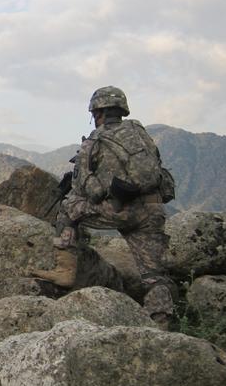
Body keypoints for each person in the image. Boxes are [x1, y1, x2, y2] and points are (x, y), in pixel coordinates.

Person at [32, 86, 177, 327]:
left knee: (70, 207)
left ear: (98, 113)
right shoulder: (140, 134)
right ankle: (161, 324)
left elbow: (90, 191)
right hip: (152, 210)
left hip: (119, 211)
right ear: (122, 110)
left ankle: (65, 271)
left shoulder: (95, 141)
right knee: (153, 275)